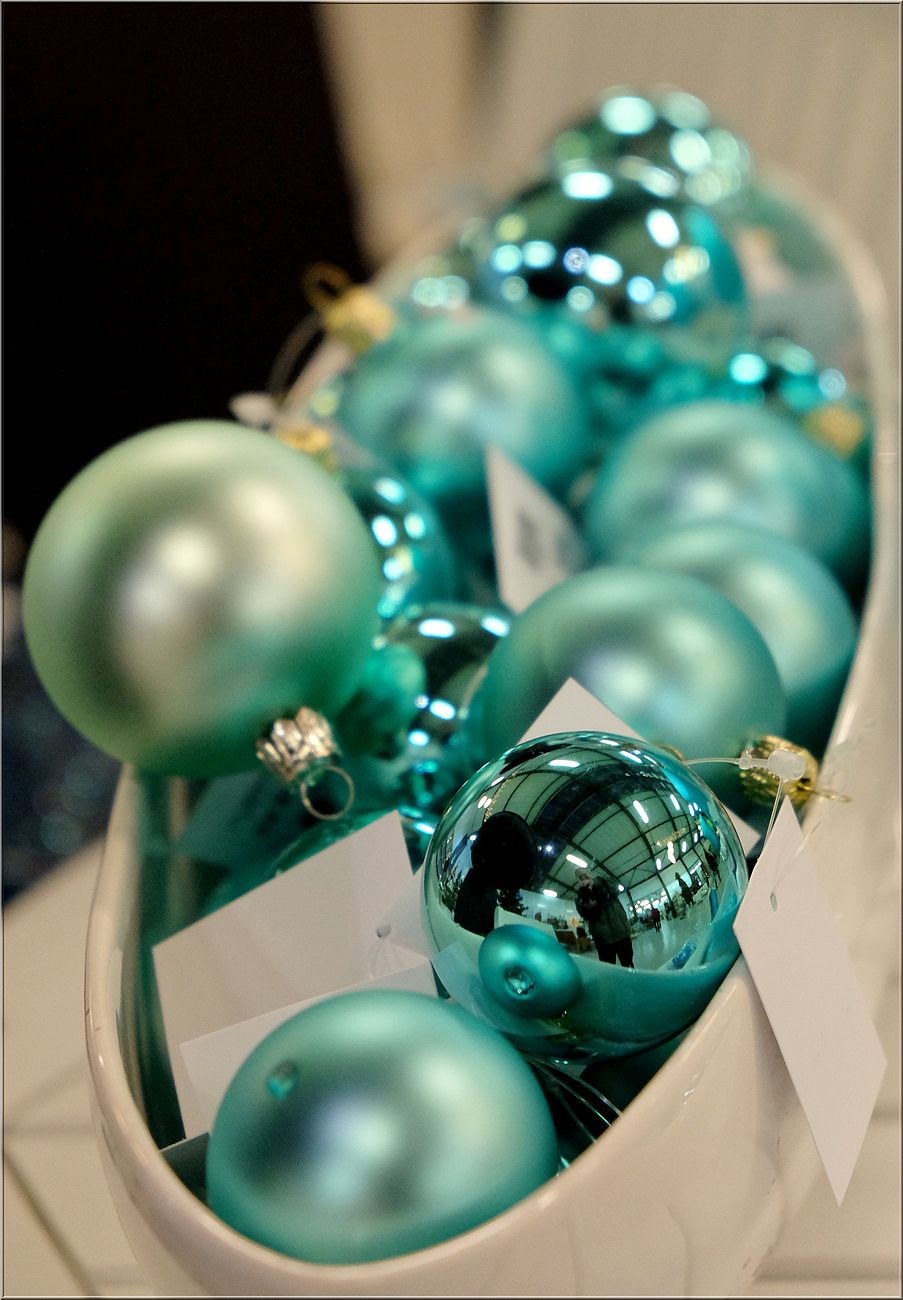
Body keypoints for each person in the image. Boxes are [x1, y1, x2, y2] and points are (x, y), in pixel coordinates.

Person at [574, 875, 634, 967]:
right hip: (602, 939)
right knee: (608, 968)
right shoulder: (580, 895)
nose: (584, 879)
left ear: (590, 874)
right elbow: (584, 915)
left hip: (621, 932)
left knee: (628, 964)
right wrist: (587, 905)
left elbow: (616, 889)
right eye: (580, 878)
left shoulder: (603, 882)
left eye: (585, 876)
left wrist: (596, 883)